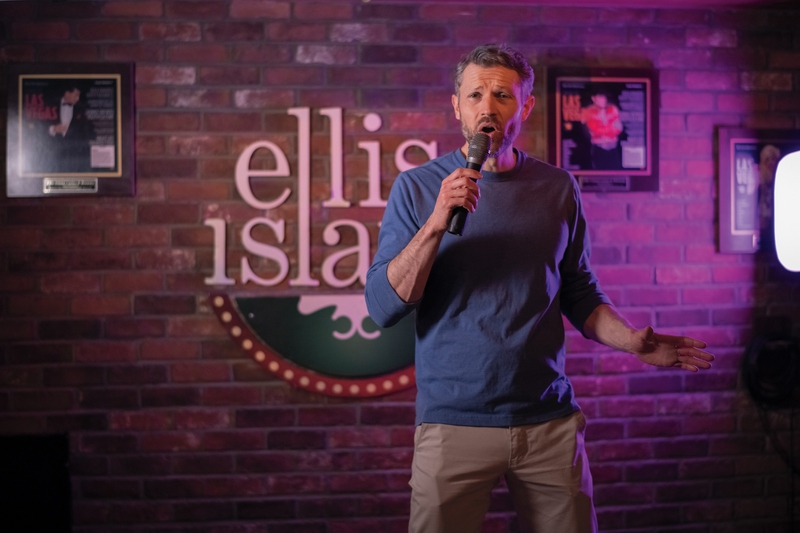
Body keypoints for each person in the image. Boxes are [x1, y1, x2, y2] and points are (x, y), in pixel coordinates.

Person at [364, 44, 714, 533]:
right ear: (457, 106)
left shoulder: (558, 188)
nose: (488, 107)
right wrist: (437, 222)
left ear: (524, 107)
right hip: (453, 424)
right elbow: (383, 306)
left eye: (502, 95)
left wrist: (632, 341)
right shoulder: (417, 188)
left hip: (548, 422)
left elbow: (578, 292)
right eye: (475, 95)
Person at [581, 88, 623, 170]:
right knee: (598, 172)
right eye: (600, 97)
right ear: (593, 98)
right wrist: (610, 129)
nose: (603, 99)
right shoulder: (589, 111)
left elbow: (618, 129)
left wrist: (605, 129)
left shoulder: (612, 109)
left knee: (615, 173)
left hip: (613, 149)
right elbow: (596, 130)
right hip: (599, 149)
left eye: (604, 97)